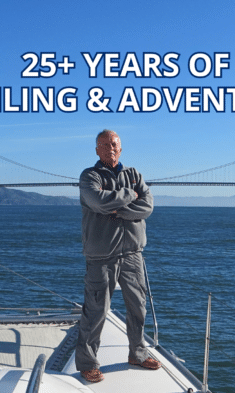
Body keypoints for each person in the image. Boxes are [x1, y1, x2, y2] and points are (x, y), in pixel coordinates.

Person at [75, 129, 161, 383]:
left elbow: (147, 206)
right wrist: (129, 195)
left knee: (138, 308)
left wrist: (118, 211)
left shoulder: (134, 174)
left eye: (114, 144)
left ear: (120, 148)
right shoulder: (89, 176)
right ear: (97, 150)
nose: (110, 148)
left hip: (133, 254)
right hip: (101, 256)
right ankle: (88, 363)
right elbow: (98, 201)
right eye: (104, 144)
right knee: (96, 310)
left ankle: (138, 353)